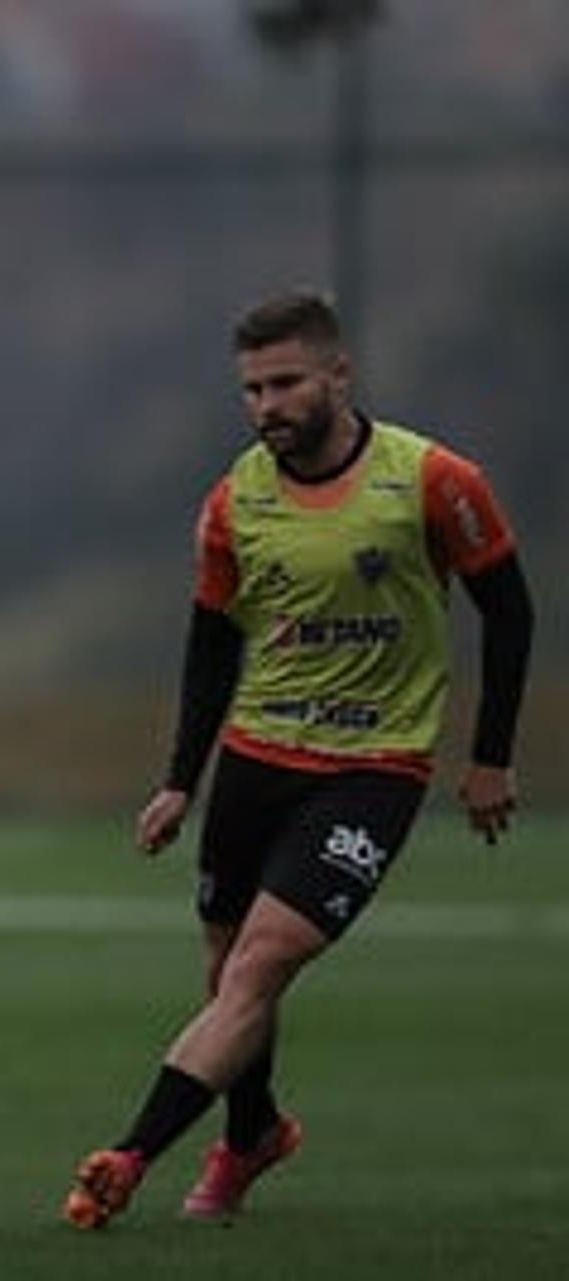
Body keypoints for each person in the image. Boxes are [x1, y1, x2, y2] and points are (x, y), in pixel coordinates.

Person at [62, 291, 533, 1229]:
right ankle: (254, 1133)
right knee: (229, 971)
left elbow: (509, 611)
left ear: (337, 375)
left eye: (284, 383)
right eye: (251, 388)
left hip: (376, 767)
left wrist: (490, 759)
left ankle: (129, 1152)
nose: (267, 404)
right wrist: (177, 781)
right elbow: (210, 644)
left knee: (260, 965)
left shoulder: (433, 479)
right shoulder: (237, 497)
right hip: (256, 759)